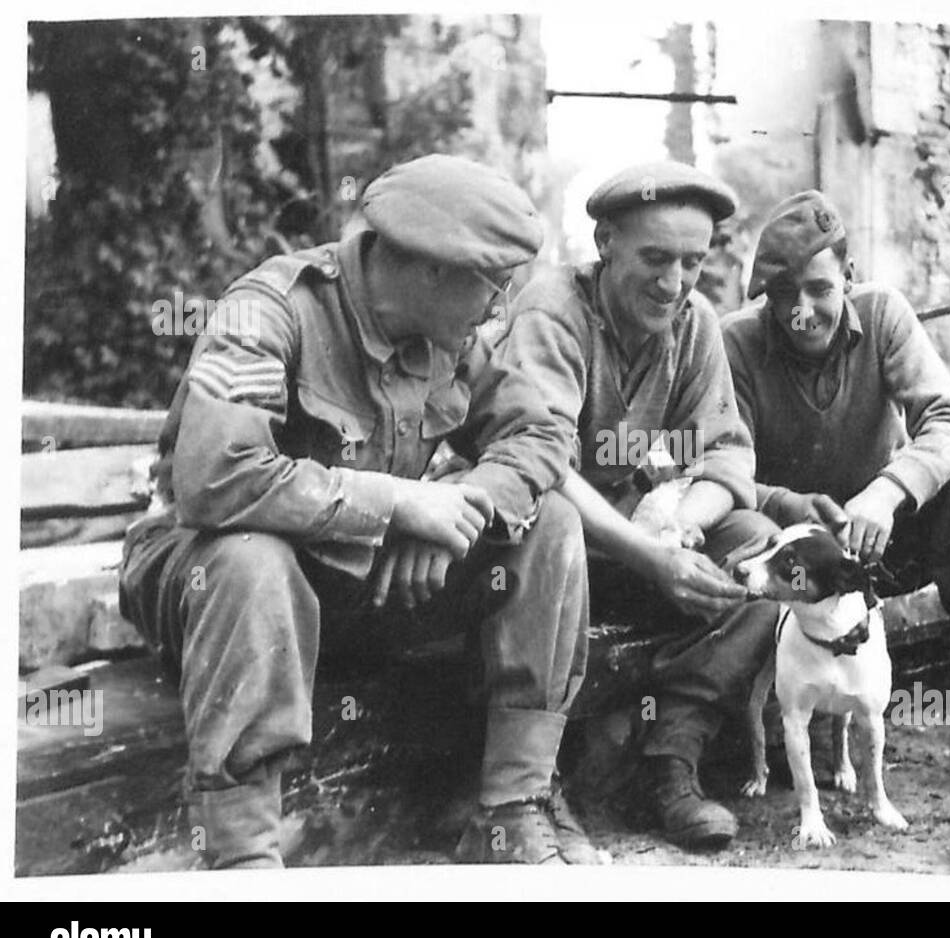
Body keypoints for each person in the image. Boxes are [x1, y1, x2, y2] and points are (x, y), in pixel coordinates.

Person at [118, 154, 600, 867]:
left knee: (551, 521)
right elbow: (213, 477)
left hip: (353, 587)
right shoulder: (270, 309)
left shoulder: (449, 341)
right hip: (210, 585)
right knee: (252, 557)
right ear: (433, 268)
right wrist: (397, 502)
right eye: (491, 287)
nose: (499, 308)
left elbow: (539, 432)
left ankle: (512, 806)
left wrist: (464, 510)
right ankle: (243, 854)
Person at [722, 190, 950, 810]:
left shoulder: (883, 316)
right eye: (784, 297)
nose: (803, 312)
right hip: (787, 552)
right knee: (735, 534)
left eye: (820, 290)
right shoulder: (737, 345)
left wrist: (888, 491)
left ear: (848, 279)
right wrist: (790, 505)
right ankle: (735, 726)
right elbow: (726, 467)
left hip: (878, 544)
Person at [498, 162, 781, 849]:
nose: (673, 282)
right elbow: (542, 465)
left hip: (637, 534)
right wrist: (651, 556)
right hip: (542, 537)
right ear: (605, 243)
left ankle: (671, 761)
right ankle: (529, 788)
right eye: (654, 258)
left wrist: (686, 523)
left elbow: (726, 454)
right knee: (550, 525)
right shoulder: (552, 310)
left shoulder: (694, 324)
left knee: (762, 550)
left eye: (692, 261)